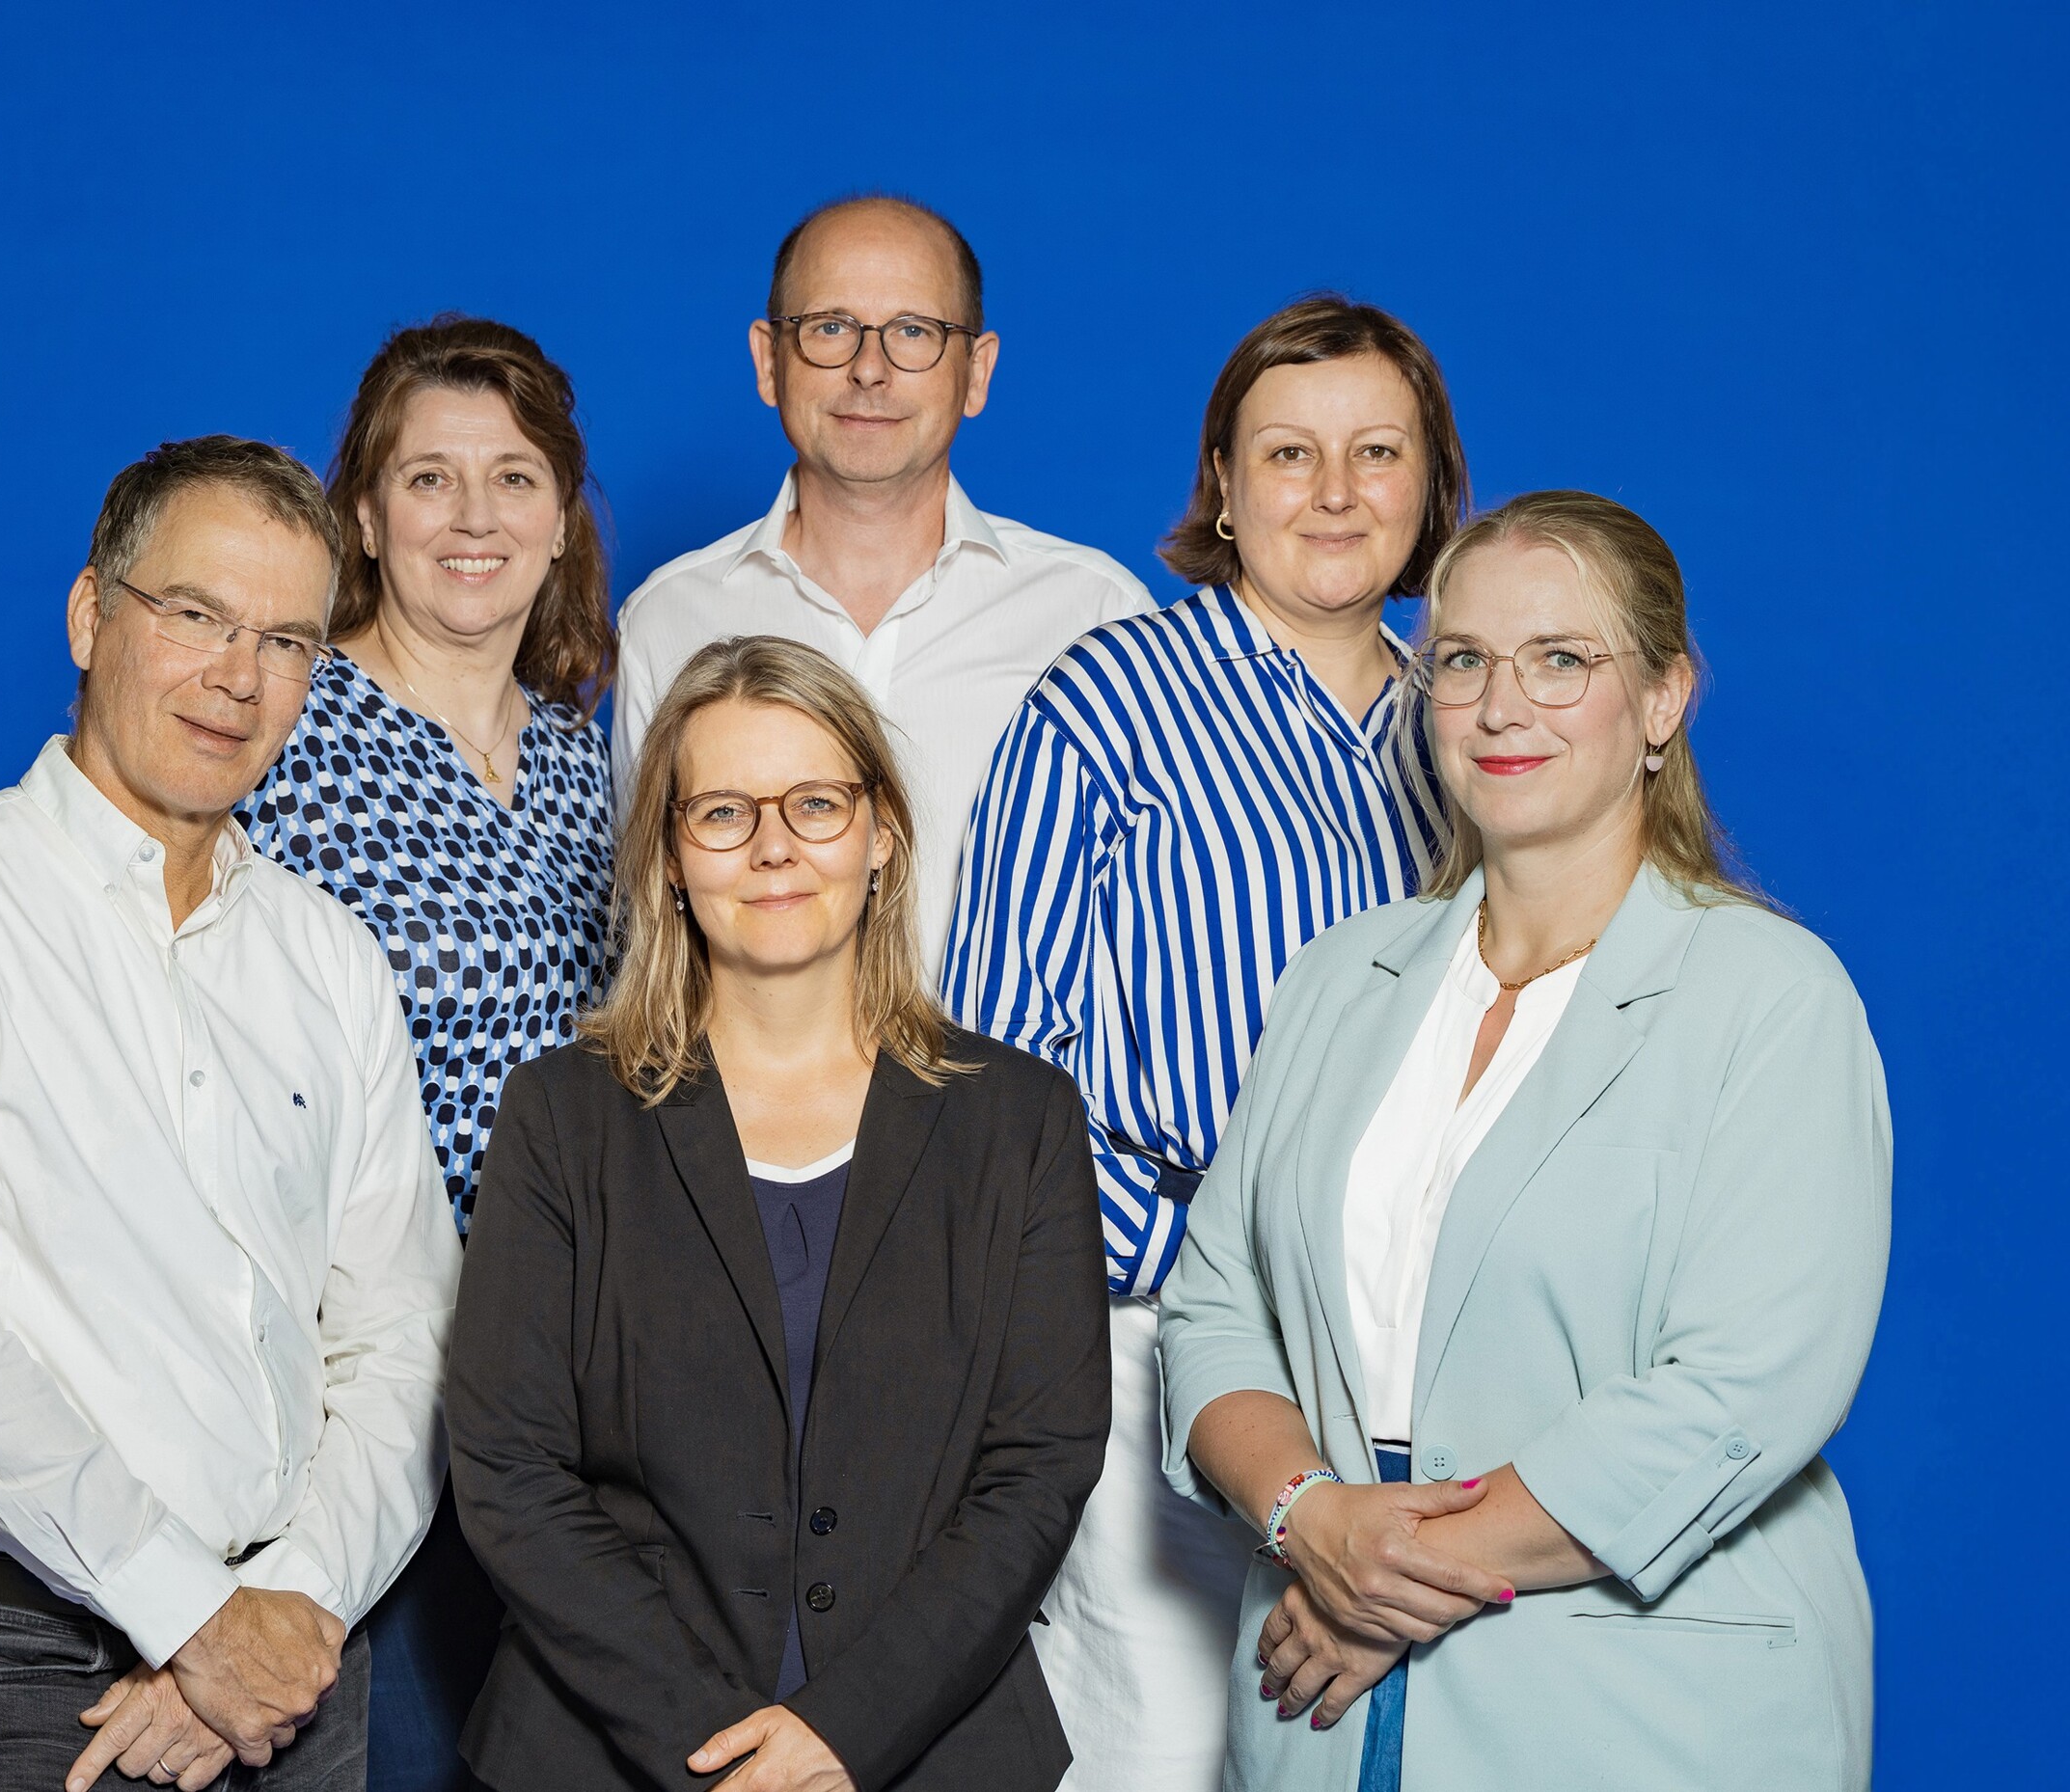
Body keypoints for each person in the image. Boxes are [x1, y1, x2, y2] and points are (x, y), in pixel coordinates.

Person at [1159, 491, 1890, 1792]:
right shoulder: (1336, 979)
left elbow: (1741, 1387)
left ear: (1662, 698)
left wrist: (1385, 1574)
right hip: (1321, 1717)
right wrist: (1311, 1517)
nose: (1501, 706)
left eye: (1560, 659)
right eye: (1462, 659)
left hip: (1643, 1713)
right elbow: (1216, 1305)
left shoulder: (1773, 998)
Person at [0, 437, 464, 1792]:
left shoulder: (330, 955)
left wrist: (295, 1603)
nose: (240, 677)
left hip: (305, 1662)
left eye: (286, 641)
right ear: (91, 615)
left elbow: (408, 1333)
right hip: (21, 1670)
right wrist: (196, 1620)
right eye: (197, 614)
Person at [942, 296, 1465, 1788]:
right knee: (1167, 1755)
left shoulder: (1470, 723)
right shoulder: (1106, 700)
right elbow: (1000, 1070)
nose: (1337, 490)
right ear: (1224, 486)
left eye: (1378, 452)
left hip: (1420, 1353)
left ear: (1431, 485)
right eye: (1290, 453)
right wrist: (1198, 1266)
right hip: (1160, 1334)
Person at [448, 637, 1111, 1792]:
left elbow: (1037, 1469)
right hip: (608, 1752)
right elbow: (511, 1471)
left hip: (931, 1748)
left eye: (815, 803)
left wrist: (844, 1731)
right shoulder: (561, 1116)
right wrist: (722, 1752)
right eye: (722, 813)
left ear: (880, 832)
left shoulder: (1020, 1119)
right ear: (667, 856)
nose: (773, 848)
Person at [241, 316, 614, 1789]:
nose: (475, 517)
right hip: (356, 1389)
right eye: (429, 478)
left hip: (569, 1392)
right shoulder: (281, 728)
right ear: (363, 513)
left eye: (514, 478)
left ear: (562, 517)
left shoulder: (592, 758)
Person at [612, 195, 1151, 964]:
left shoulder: (1096, 616)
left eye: (914, 332)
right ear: (769, 361)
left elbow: (1144, 931)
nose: (870, 369)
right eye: (830, 328)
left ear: (977, 372)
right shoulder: (667, 618)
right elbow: (650, 936)